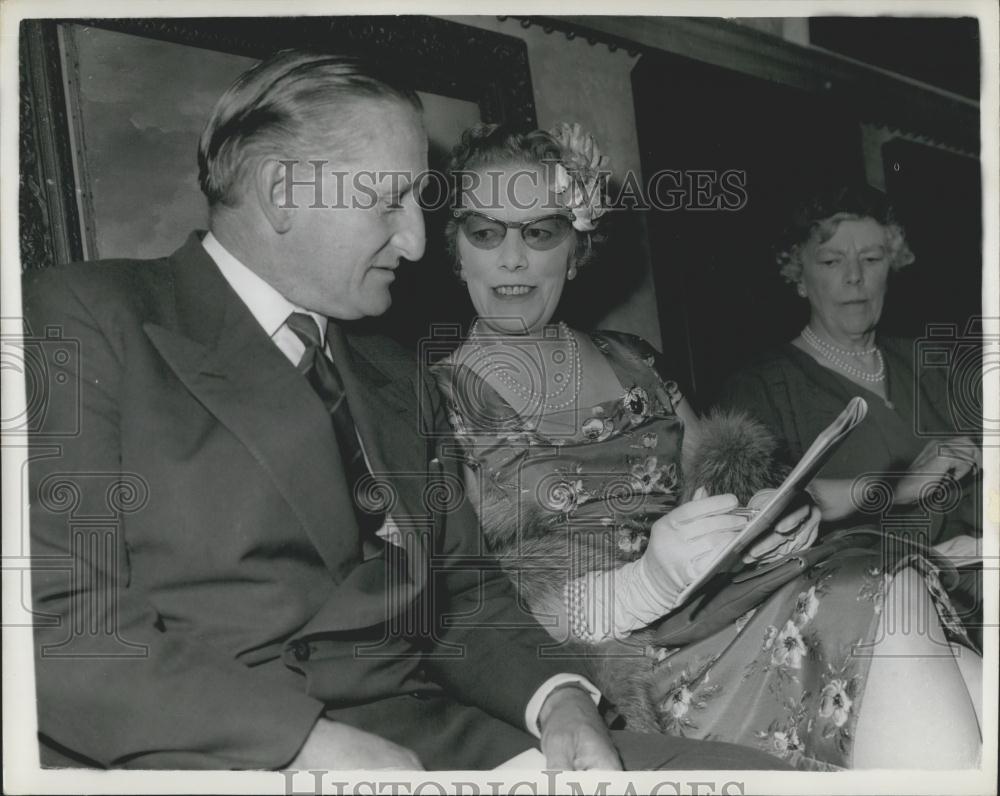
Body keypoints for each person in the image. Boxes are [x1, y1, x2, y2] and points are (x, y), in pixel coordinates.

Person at [24, 51, 801, 773]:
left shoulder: (394, 372)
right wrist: (304, 745)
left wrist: (560, 700)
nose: (419, 241)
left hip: (440, 738)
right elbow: (60, 635)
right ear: (284, 193)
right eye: (389, 200)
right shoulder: (84, 320)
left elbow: (463, 596)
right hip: (219, 755)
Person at [429, 123, 983, 769]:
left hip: (718, 607)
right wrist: (639, 586)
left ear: (576, 248)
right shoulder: (433, 402)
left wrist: (771, 518)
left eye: (540, 231)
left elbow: (728, 492)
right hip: (611, 667)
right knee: (883, 598)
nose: (513, 258)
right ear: (456, 250)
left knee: (917, 621)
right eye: (486, 232)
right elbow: (456, 613)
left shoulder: (633, 360)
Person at [714, 184, 983, 634]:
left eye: (872, 260)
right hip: (870, 616)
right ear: (798, 275)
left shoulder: (932, 362)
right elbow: (757, 516)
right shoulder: (761, 387)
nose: (855, 277)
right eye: (832, 261)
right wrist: (897, 486)